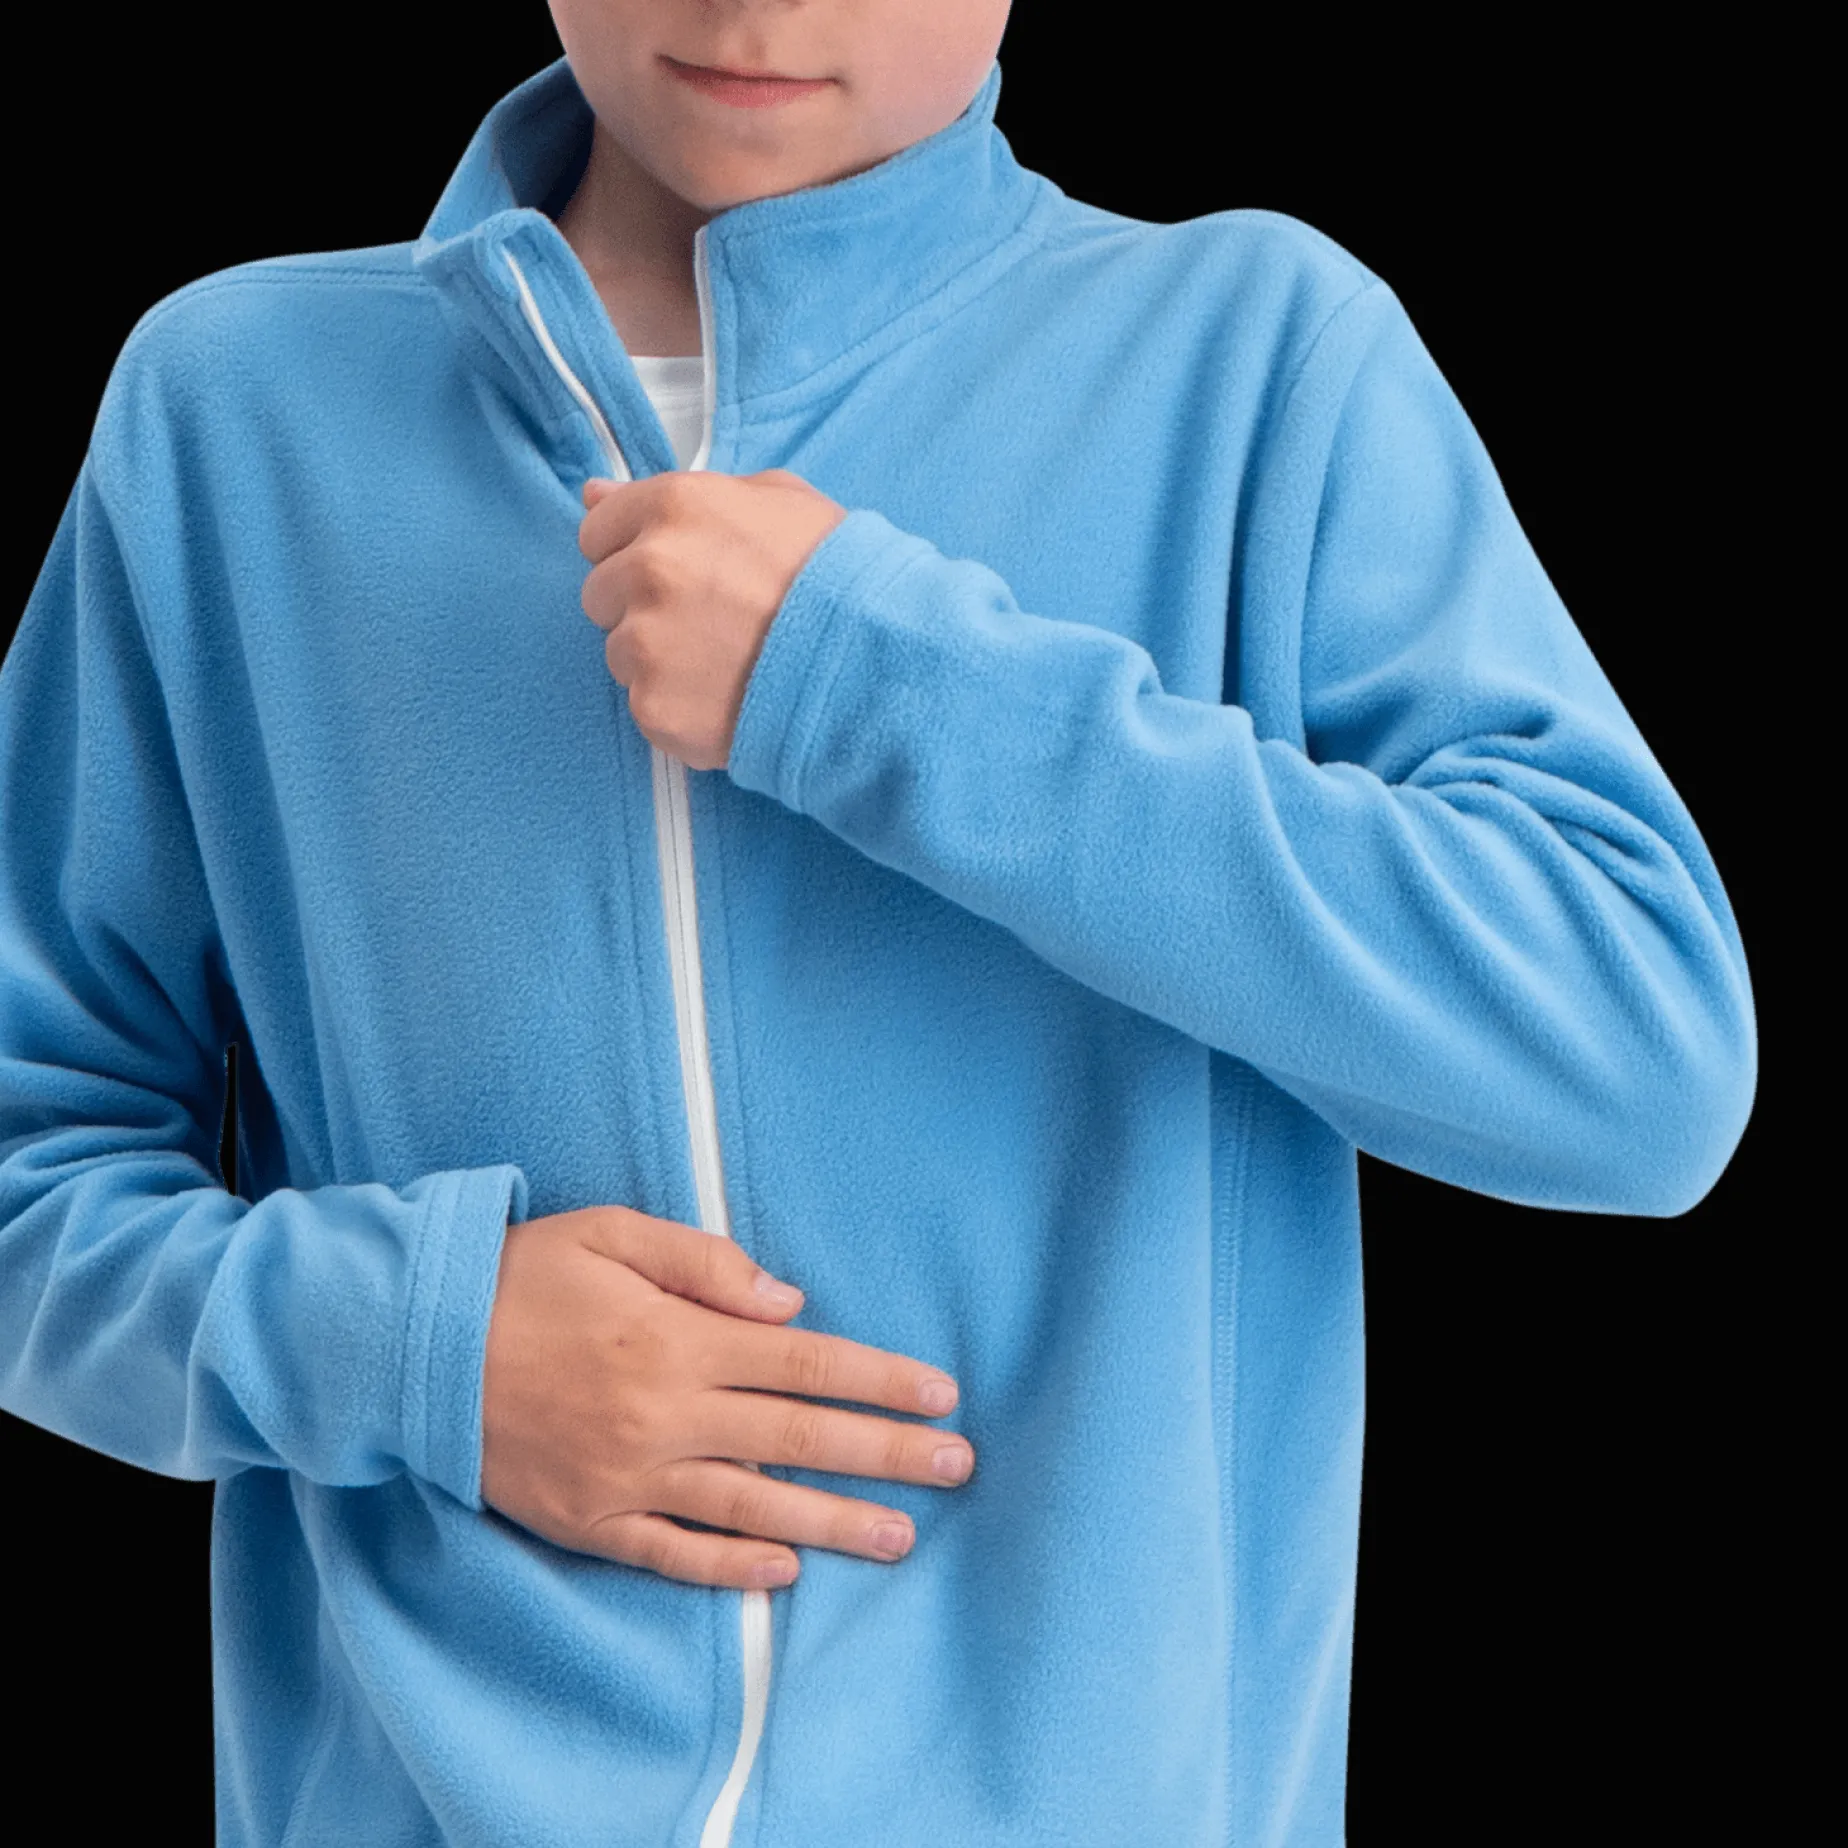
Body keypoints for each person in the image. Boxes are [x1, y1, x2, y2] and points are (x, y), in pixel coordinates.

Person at [0, 2, 1756, 1843]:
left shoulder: (1254, 360)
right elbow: (36, 1167)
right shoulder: (229, 411)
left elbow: (1637, 1053)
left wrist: (885, 685)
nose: (757, 7)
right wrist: (423, 1347)